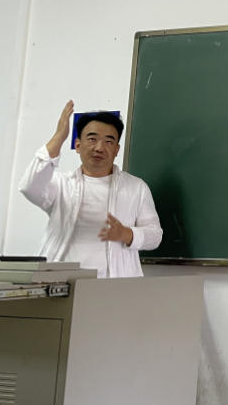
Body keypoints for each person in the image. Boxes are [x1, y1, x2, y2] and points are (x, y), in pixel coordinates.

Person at [19, 101, 162, 277]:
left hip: (115, 284)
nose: (99, 148)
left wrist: (126, 233)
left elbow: (155, 236)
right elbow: (28, 186)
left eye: (108, 141)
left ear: (117, 149)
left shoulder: (135, 187)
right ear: (78, 145)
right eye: (92, 139)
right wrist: (59, 136)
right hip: (60, 282)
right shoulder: (60, 184)